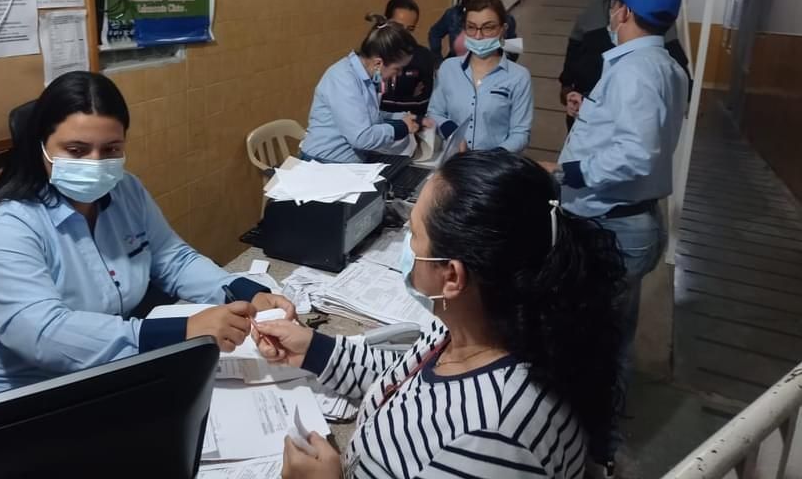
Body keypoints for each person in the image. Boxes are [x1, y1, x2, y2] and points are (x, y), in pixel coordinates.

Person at [254, 150, 625, 479]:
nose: (405, 246)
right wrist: (314, 350)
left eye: (412, 235)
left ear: (452, 276)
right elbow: (404, 385)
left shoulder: (492, 439)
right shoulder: (465, 327)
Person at [0, 71, 293, 404]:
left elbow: (171, 258)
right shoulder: (5, 226)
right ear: (40, 146)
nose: (95, 163)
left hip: (96, 376)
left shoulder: (125, 190)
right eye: (75, 150)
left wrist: (245, 291)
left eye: (111, 150)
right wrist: (179, 330)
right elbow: (42, 335)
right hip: (9, 398)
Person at [541, 0, 689, 471]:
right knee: (610, 333)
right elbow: (638, 132)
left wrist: (567, 171)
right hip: (629, 220)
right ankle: (595, 433)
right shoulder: (665, 66)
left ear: (623, 12)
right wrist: (592, 114)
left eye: (616, 5)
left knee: (598, 340)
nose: (612, 12)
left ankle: (593, 446)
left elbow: (636, 155)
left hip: (612, 227)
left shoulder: (634, 72)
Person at [559, 0, 690, 128]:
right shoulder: (592, 11)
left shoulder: (650, 19)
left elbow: (635, 147)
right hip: (586, 102)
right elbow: (574, 48)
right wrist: (567, 84)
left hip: (621, 113)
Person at [301, 15, 429, 163]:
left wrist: (407, 117)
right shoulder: (343, 79)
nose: (399, 74)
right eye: (397, 69)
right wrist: (400, 128)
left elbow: (369, 114)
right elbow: (361, 138)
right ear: (378, 63)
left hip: (350, 161)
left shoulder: (365, 77)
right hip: (323, 163)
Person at [427, 0, 533, 152]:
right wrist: (452, 132)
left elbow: (520, 132)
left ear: (503, 29)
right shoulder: (449, 68)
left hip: (494, 167)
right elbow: (435, 112)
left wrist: (493, 157)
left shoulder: (519, 76)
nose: (478, 35)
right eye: (471, 27)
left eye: (488, 27)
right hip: (454, 161)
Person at [428, 0, 518, 65]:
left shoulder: (507, 19)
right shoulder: (453, 15)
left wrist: (498, 42)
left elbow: (514, 52)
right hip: (456, 74)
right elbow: (434, 33)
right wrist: (438, 62)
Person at [378, 0, 435, 117]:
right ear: (385, 23)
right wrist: (410, 99)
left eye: (410, 29)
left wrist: (387, 102)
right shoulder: (375, 54)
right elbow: (372, 105)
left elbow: (423, 103)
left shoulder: (423, 56)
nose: (403, 34)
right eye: (398, 27)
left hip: (412, 126)